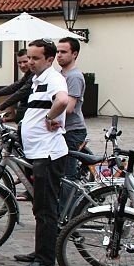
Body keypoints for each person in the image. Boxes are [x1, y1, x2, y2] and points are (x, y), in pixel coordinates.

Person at [13, 38, 68, 266]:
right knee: (39, 207)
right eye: (30, 57)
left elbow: (63, 100)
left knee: (46, 208)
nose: (31, 62)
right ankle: (40, 251)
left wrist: (50, 118)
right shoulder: (38, 80)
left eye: (36, 58)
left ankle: (46, 261)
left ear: (49, 58)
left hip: (48, 152)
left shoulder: (54, 78)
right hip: (38, 151)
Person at [56, 37, 88, 209]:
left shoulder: (74, 77)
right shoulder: (61, 75)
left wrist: (46, 114)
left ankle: (67, 214)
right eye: (57, 51)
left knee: (68, 174)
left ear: (74, 54)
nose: (59, 55)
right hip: (61, 129)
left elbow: (68, 108)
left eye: (63, 52)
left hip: (72, 130)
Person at [0, 49, 32, 123]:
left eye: (25, 62)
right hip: (23, 119)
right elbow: (14, 87)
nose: (22, 65)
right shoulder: (28, 75)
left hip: (29, 119)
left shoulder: (34, 76)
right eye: (19, 62)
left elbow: (20, 93)